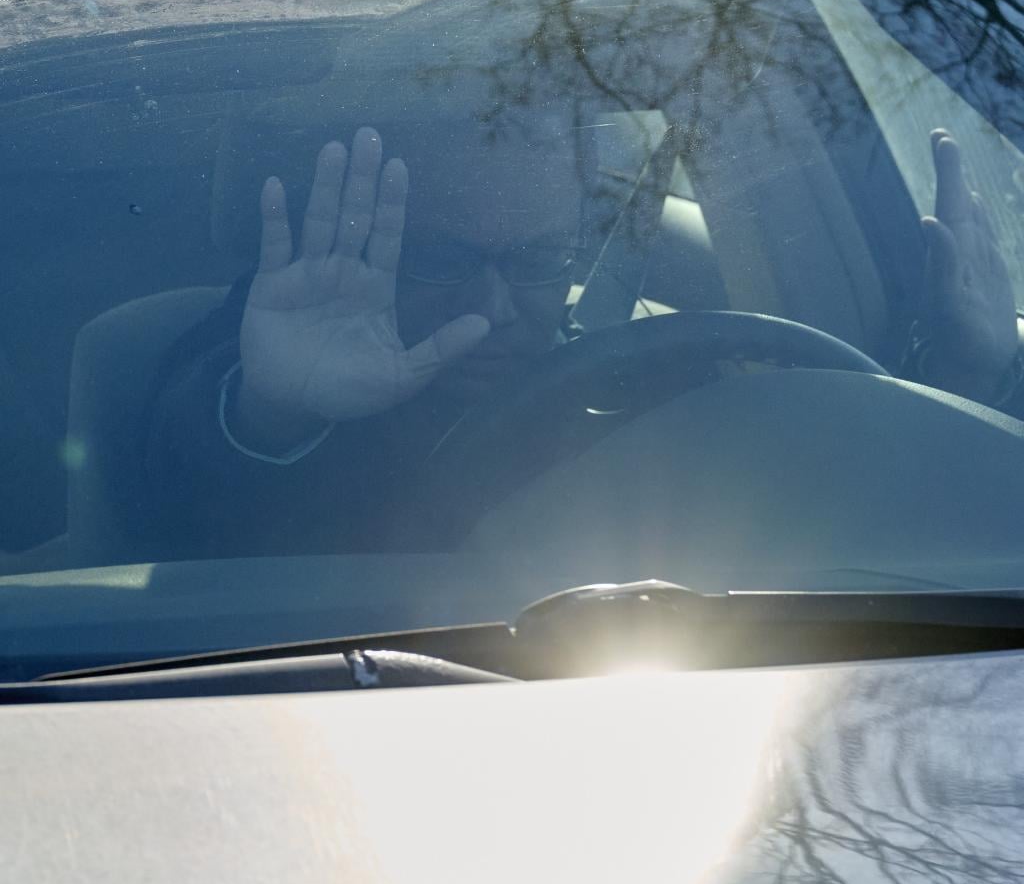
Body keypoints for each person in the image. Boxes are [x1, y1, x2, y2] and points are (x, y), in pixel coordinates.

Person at [141, 122, 1021, 560]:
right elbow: (183, 530)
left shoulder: (662, 367)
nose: (491, 306)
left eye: (536, 259)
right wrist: (267, 419)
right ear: (363, 227)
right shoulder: (275, 352)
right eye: (442, 257)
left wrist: (965, 381)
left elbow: (848, 537)